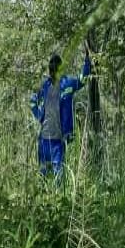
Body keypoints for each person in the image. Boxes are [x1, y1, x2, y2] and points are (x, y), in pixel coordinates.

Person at [31, 50, 91, 178]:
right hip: (44, 140)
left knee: (59, 175)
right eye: (51, 70)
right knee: (42, 175)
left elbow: (82, 79)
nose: (52, 73)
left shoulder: (67, 83)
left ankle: (58, 197)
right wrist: (39, 116)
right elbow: (33, 101)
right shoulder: (45, 86)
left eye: (55, 69)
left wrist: (88, 61)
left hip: (59, 140)